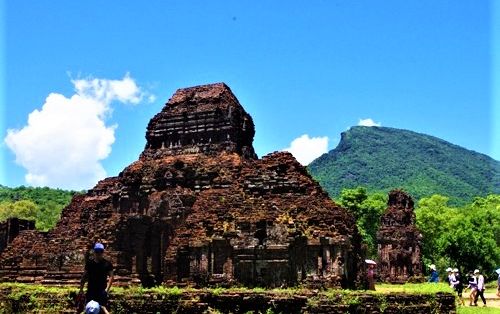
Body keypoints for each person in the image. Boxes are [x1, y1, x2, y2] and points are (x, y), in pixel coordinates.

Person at [79, 243, 114, 309]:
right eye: (97, 251)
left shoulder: (107, 264)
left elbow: (111, 277)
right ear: (94, 252)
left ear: (103, 252)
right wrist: (81, 289)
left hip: (102, 290)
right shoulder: (89, 263)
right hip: (91, 290)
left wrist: (107, 290)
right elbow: (84, 276)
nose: (98, 253)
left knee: (102, 308)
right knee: (90, 309)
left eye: (100, 251)